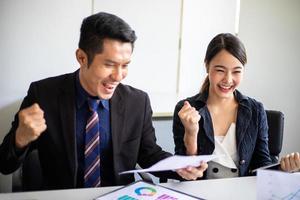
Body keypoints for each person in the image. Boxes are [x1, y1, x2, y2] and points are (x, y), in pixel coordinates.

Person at [0, 12, 207, 190]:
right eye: (109, 64)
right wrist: (20, 138)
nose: (119, 76)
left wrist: (184, 164)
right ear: (82, 57)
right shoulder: (44, 95)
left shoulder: (138, 102)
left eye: (125, 65)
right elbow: (5, 164)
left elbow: (150, 154)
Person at [173, 33, 300, 179]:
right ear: (207, 66)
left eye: (236, 71)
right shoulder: (187, 110)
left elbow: (262, 165)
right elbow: (184, 173)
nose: (228, 79)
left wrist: (285, 169)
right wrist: (191, 133)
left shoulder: (255, 111)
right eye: (220, 70)